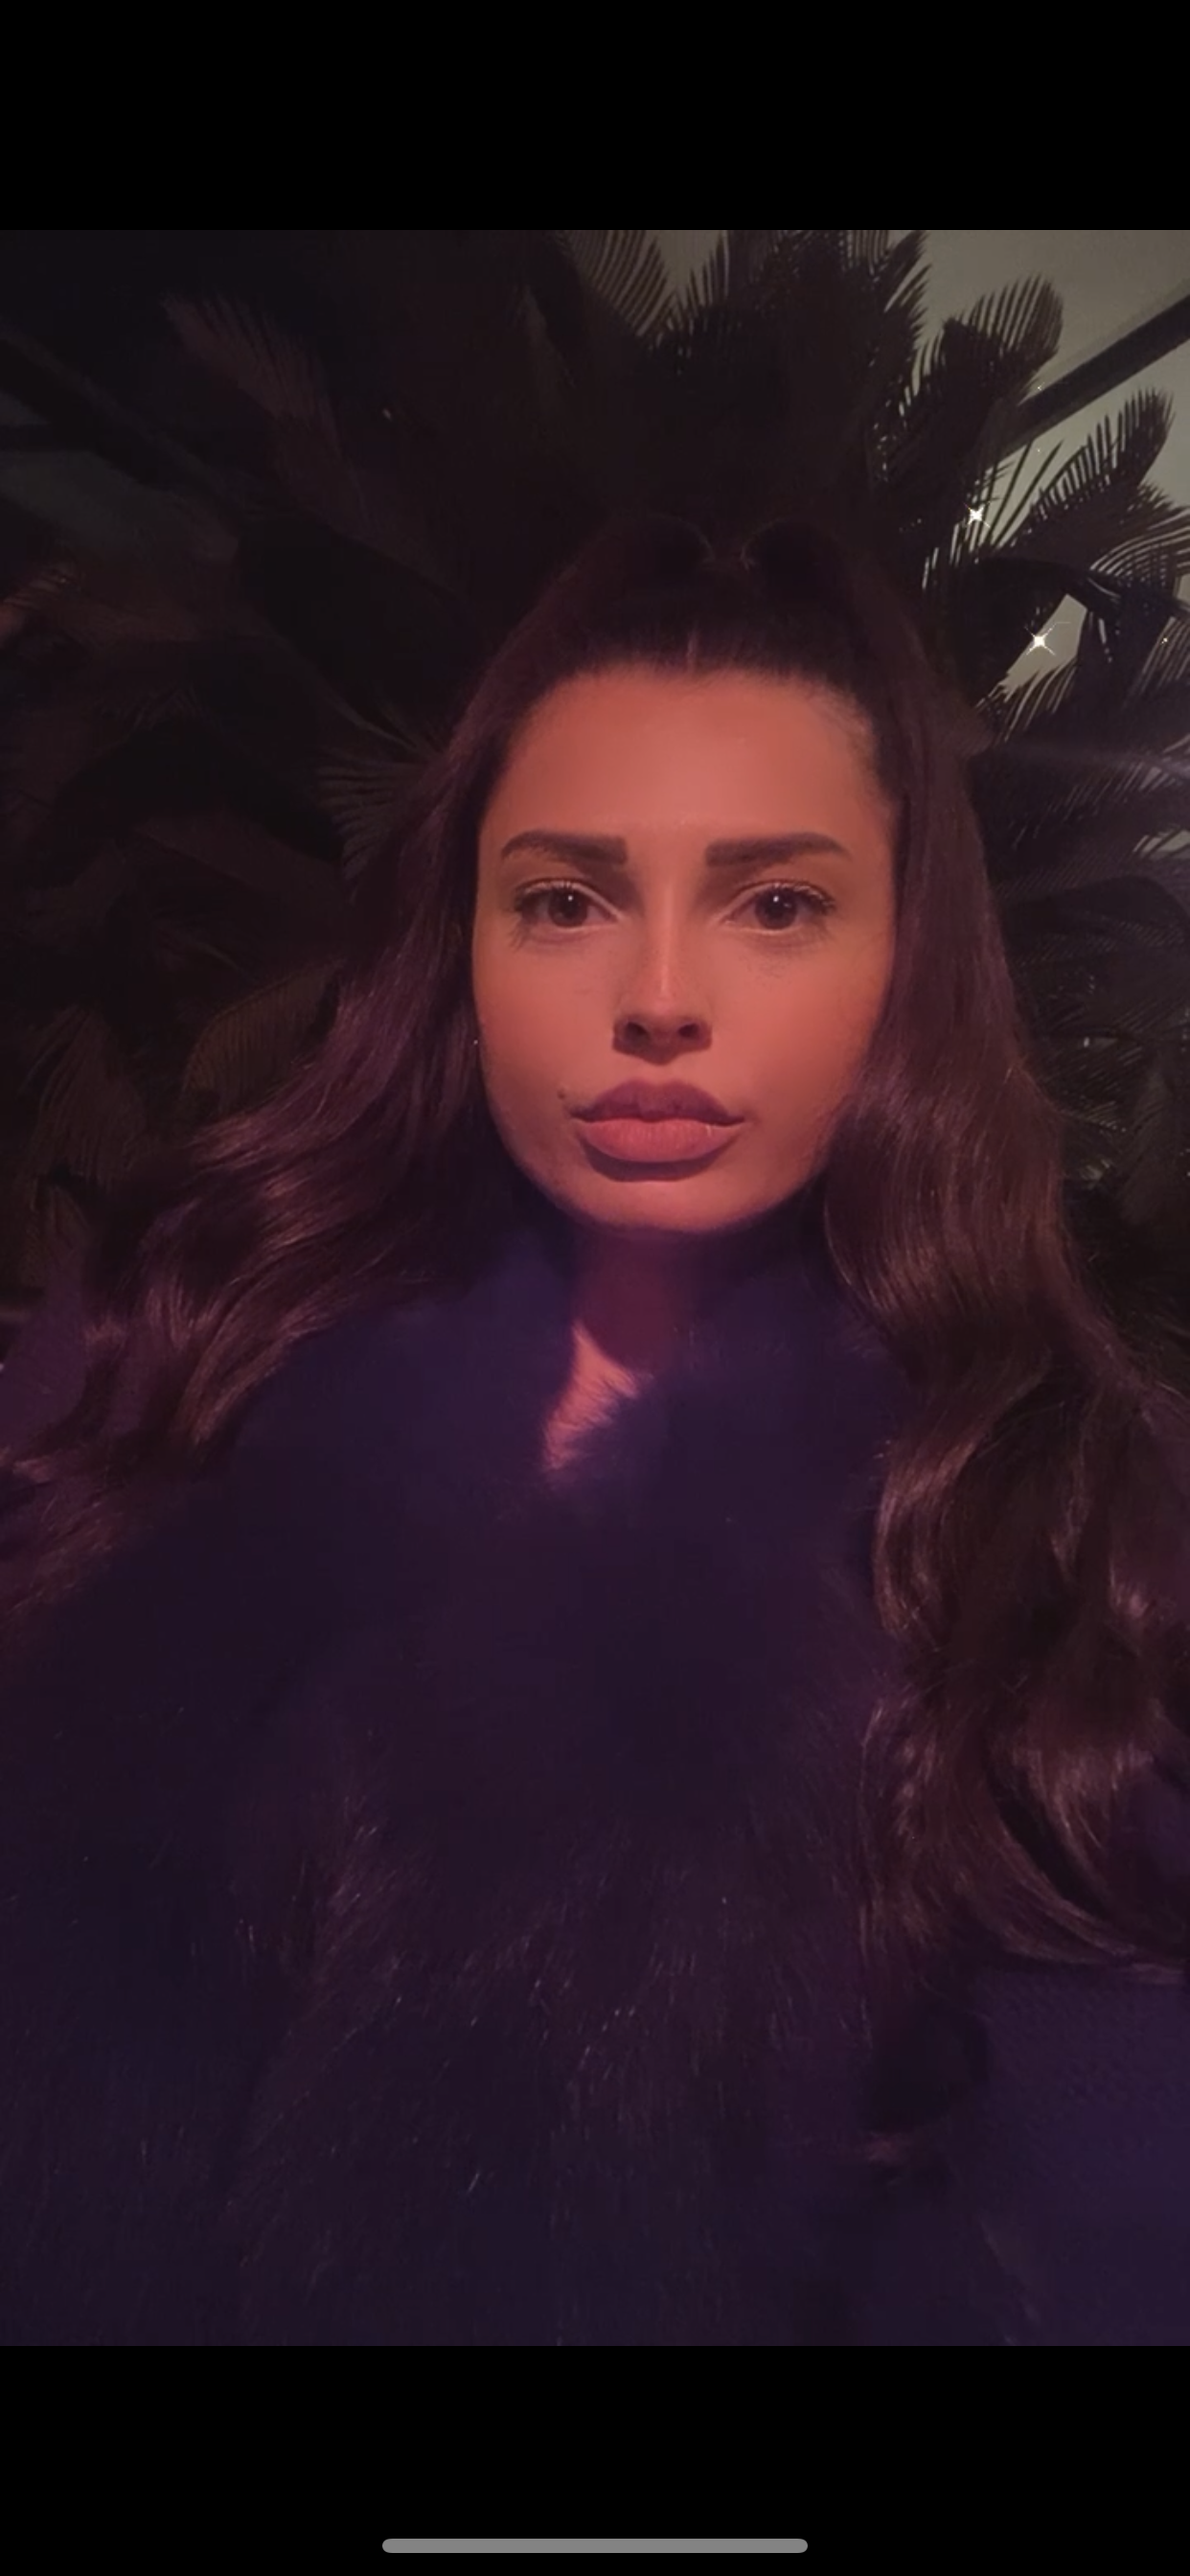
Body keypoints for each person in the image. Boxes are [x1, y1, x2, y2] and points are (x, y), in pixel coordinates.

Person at [2, 517, 1189, 2348]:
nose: (655, 998)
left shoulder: (1047, 1516)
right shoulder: (179, 1345)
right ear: (461, 945)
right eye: (563, 899)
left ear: (906, 963)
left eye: (775, 904)